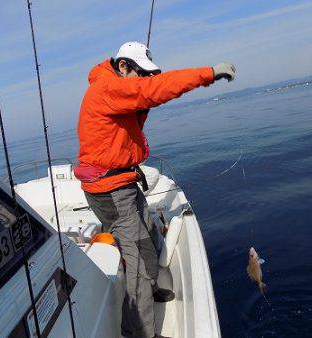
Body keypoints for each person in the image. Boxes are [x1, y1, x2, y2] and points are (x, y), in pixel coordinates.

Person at [75, 41, 235, 338]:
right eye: (142, 74)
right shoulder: (108, 88)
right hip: (112, 191)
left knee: (147, 235)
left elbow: (139, 102)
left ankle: (153, 286)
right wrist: (207, 74)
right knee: (134, 259)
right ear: (124, 66)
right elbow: (154, 90)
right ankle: (138, 332)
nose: (145, 80)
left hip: (121, 182)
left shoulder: (113, 85)